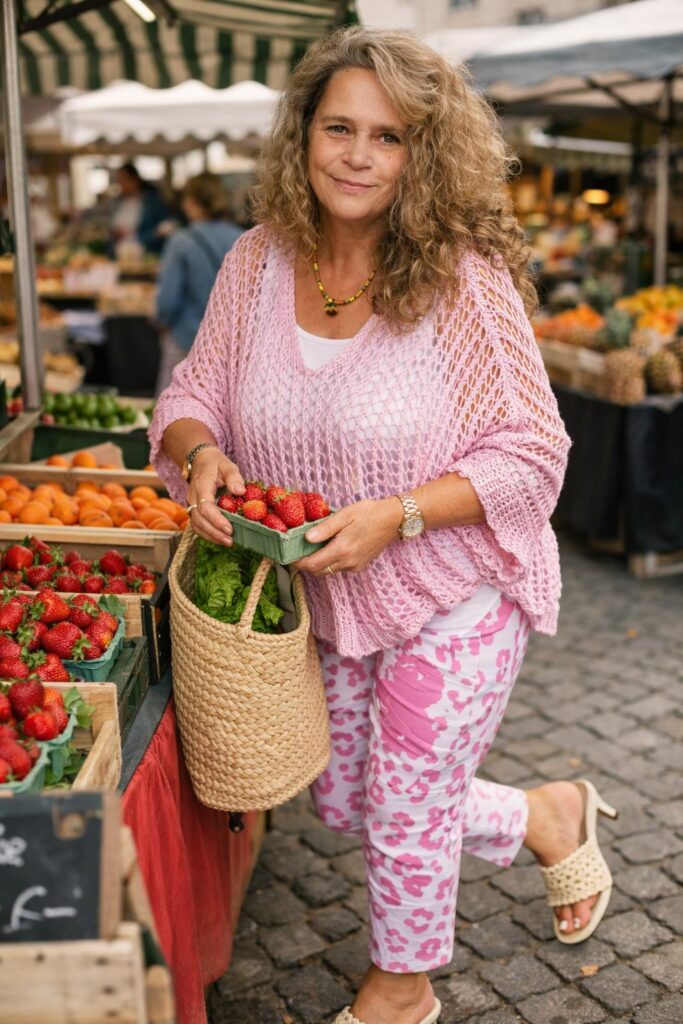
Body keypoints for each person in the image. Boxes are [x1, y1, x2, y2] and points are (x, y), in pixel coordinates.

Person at [150, 29, 618, 1024]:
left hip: (455, 576)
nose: (357, 155)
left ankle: (398, 990)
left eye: (388, 136)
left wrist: (399, 515)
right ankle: (543, 814)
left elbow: (532, 451)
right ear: (302, 136)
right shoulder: (256, 262)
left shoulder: (460, 277)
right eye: (337, 128)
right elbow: (195, 389)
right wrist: (200, 453)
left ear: (421, 154)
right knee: (345, 798)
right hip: (326, 585)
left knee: (406, 800)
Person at [154, 174, 242, 393]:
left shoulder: (181, 242)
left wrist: (160, 321)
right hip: (232, 346)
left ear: (191, 203)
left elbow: (166, 302)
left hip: (187, 340)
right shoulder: (244, 238)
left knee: (174, 413)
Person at [110, 162, 169, 255]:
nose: (120, 184)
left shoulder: (152, 202)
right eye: (119, 181)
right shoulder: (119, 202)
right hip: (121, 253)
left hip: (145, 253)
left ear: (134, 180)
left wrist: (136, 235)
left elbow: (164, 228)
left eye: (123, 180)